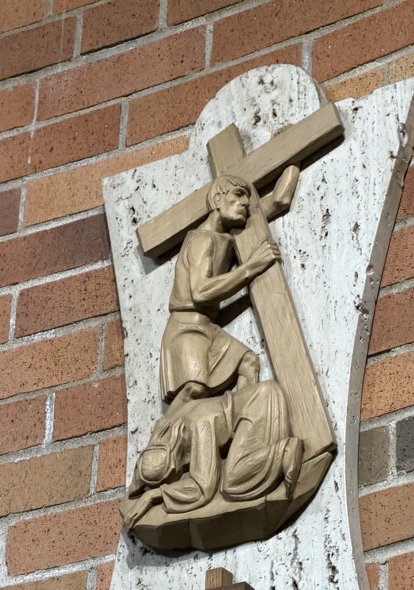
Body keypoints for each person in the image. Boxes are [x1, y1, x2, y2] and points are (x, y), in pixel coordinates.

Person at [159, 169, 299, 414]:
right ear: (217, 200)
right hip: (187, 328)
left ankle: (241, 426)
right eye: (238, 195)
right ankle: (166, 431)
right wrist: (252, 266)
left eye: (247, 198)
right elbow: (201, 292)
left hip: (208, 326)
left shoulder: (228, 238)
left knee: (248, 363)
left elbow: (278, 201)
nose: (245, 202)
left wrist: (294, 157)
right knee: (194, 389)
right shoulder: (202, 240)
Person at [122, 380, 303, 532]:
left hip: (260, 405)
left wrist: (154, 495)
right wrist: (136, 490)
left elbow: (204, 487)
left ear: (176, 462)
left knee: (232, 482)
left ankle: (284, 451)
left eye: (171, 478)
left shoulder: (199, 426)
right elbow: (191, 389)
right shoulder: (170, 420)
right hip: (262, 394)